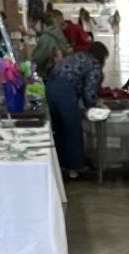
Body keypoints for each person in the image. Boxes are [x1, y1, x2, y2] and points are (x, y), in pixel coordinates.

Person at [44, 41, 108, 180]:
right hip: (64, 92)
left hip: (50, 87)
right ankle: (75, 168)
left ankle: (60, 163)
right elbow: (89, 91)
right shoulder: (94, 64)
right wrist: (93, 106)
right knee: (72, 128)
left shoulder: (77, 56)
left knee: (59, 128)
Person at [31, 13, 70, 78]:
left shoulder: (46, 36)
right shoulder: (56, 32)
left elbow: (37, 59)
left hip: (50, 75)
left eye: (35, 24)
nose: (34, 27)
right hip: (62, 73)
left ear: (42, 22)